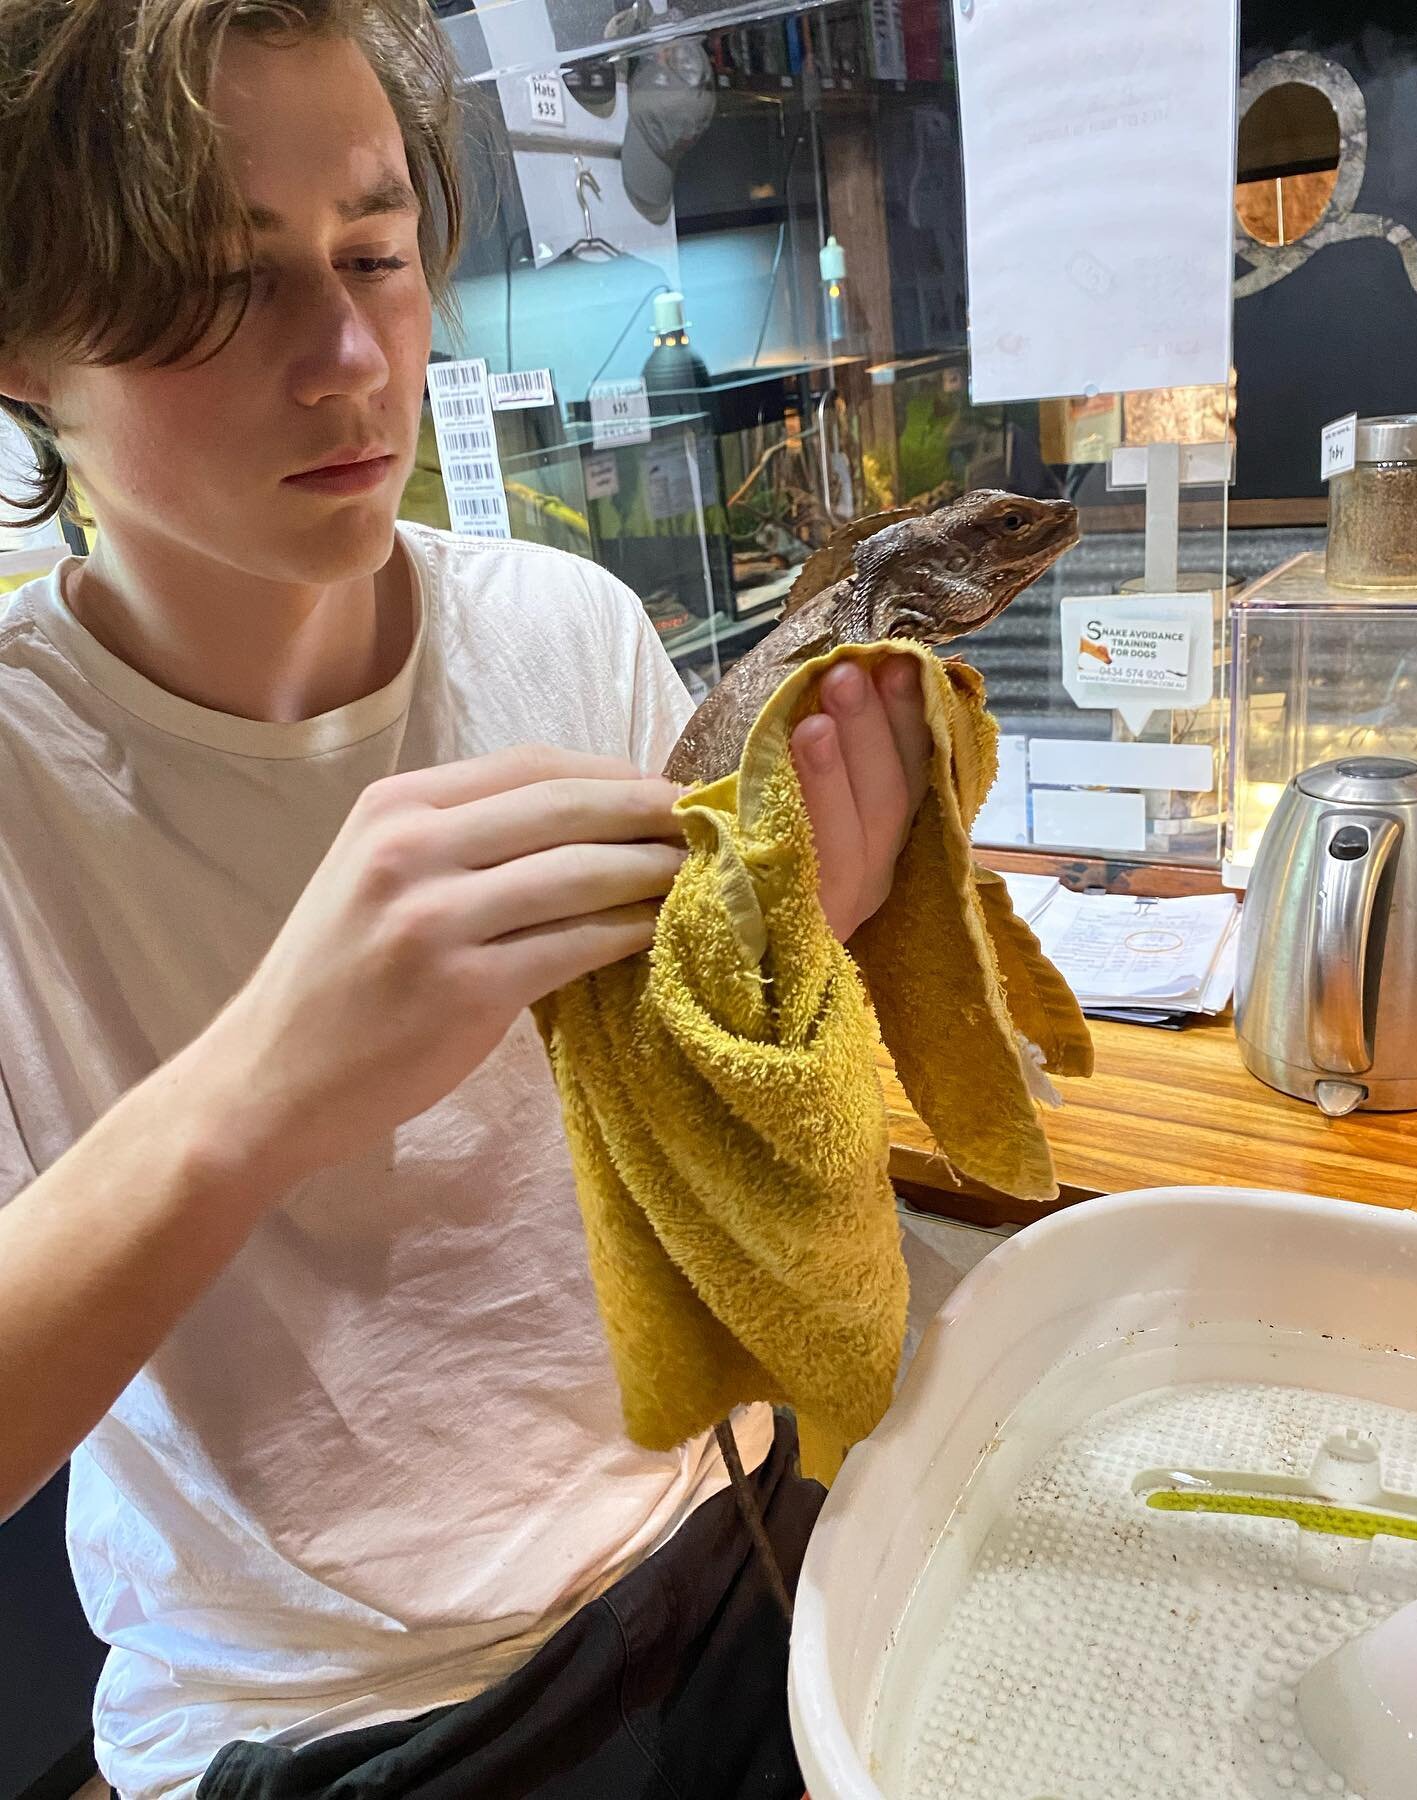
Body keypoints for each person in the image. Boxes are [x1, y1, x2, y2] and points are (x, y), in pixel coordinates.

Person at [0, 4, 930, 1796]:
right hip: (326, 1709)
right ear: (25, 349)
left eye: (376, 251)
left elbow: (693, 1145)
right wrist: (260, 1092)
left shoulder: (563, 629)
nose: (350, 353)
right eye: (219, 284)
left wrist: (801, 940)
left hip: (715, 1554)